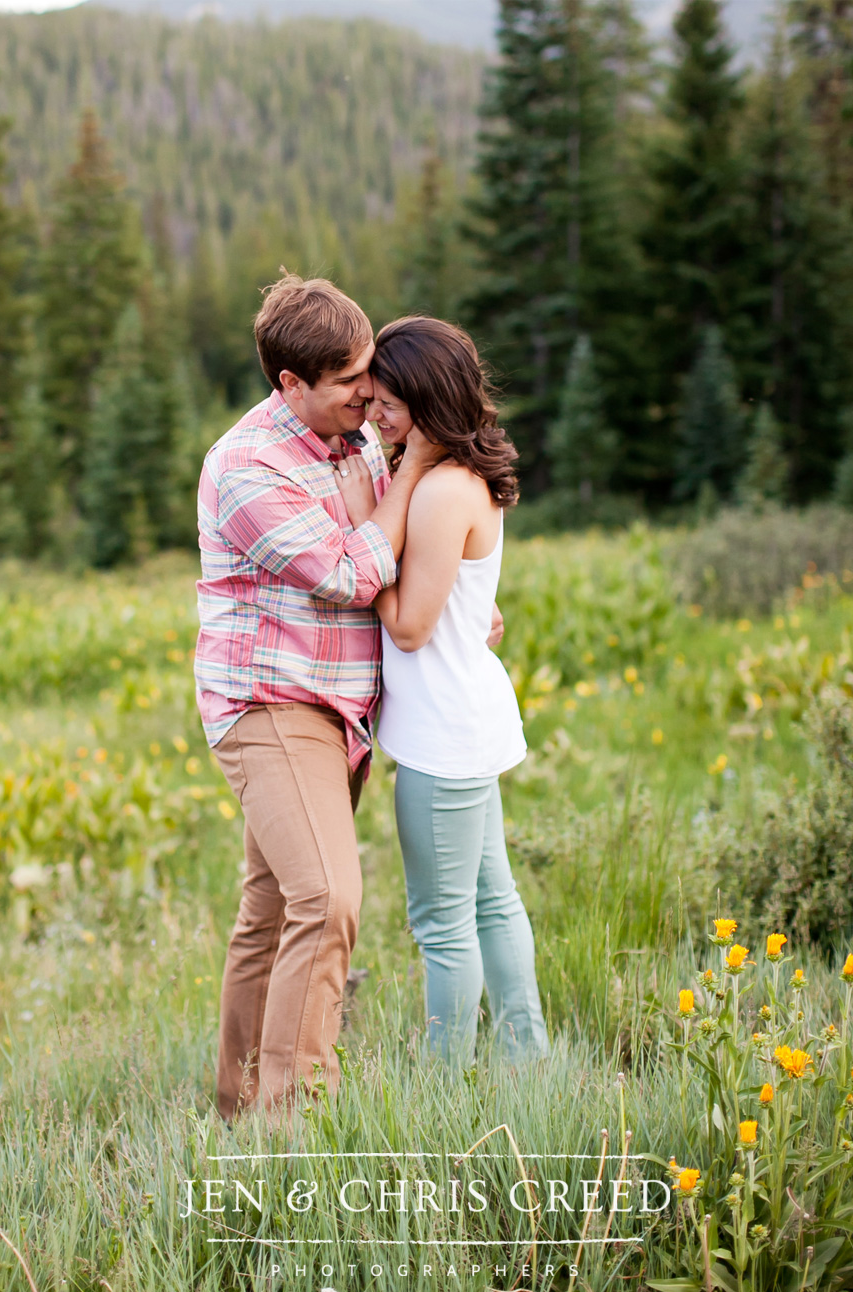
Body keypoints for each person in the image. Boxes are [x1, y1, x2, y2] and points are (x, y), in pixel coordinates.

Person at [194, 271, 446, 1121]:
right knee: (328, 900)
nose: (369, 392)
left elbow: (388, 556)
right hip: (273, 703)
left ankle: (237, 1109)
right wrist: (410, 472)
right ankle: (294, 1120)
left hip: (338, 708)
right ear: (289, 384)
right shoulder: (245, 466)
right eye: (348, 381)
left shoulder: (352, 440)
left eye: (367, 368)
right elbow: (344, 572)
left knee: (269, 909)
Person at [349, 315, 548, 1063]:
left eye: (388, 406)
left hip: (443, 735)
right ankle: (529, 1062)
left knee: (442, 922)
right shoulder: (461, 478)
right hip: (466, 719)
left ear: (428, 403)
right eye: (371, 401)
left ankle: (444, 1084)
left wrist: (356, 541)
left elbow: (407, 628)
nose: (375, 416)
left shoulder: (437, 492)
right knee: (493, 902)